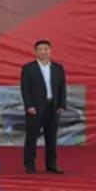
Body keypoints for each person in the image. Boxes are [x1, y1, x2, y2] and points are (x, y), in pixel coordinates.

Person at [21, 40, 66, 174]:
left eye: (46, 49)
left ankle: (51, 164)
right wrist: (29, 105)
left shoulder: (57, 68)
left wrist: (61, 104)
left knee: (51, 137)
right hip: (35, 108)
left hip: (52, 106)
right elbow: (25, 89)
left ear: (50, 51)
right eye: (40, 49)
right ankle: (30, 164)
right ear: (36, 51)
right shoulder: (28, 68)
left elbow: (62, 88)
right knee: (32, 137)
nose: (43, 52)